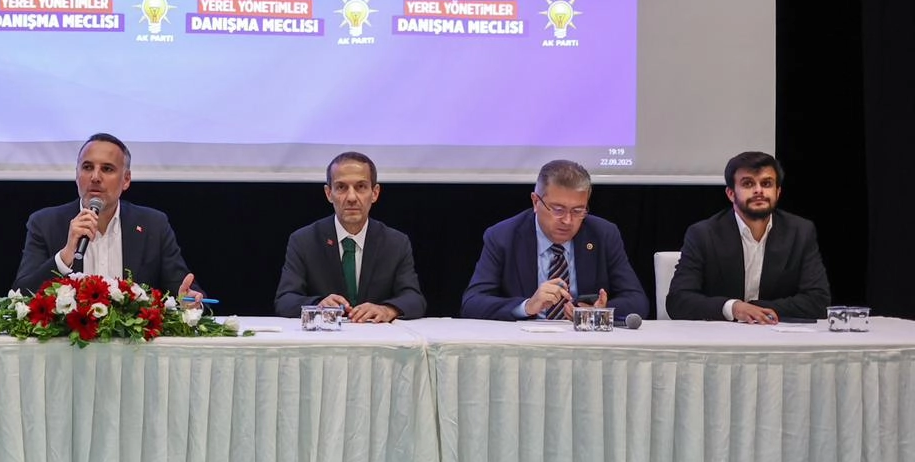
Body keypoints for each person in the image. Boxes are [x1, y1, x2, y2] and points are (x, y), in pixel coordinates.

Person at [13, 133, 202, 299]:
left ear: (126, 179)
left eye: (107, 169)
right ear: (77, 175)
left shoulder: (153, 224)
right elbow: (20, 296)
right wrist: (65, 256)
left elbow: (185, 290)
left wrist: (188, 301)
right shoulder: (45, 223)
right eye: (87, 167)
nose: (95, 177)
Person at [461, 159, 650, 321]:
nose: (567, 220)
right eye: (558, 210)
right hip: (525, 341)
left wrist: (600, 311)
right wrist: (527, 306)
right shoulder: (503, 236)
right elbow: (472, 303)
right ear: (536, 202)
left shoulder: (603, 234)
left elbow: (637, 301)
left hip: (584, 341)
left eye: (578, 210)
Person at [665, 151, 831, 322]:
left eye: (766, 183)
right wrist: (733, 308)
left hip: (776, 332)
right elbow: (678, 300)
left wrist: (754, 308)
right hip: (721, 334)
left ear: (778, 192)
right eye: (748, 183)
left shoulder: (800, 232)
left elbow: (818, 301)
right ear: (731, 193)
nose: (759, 190)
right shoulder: (703, 234)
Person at [273, 151, 425, 321]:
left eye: (361, 187)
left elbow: (414, 299)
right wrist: (318, 305)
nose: (351, 197)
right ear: (329, 193)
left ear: (375, 193)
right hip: (326, 335)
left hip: (376, 334)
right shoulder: (304, 240)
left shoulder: (395, 243)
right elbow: (285, 300)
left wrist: (387, 310)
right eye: (341, 187)